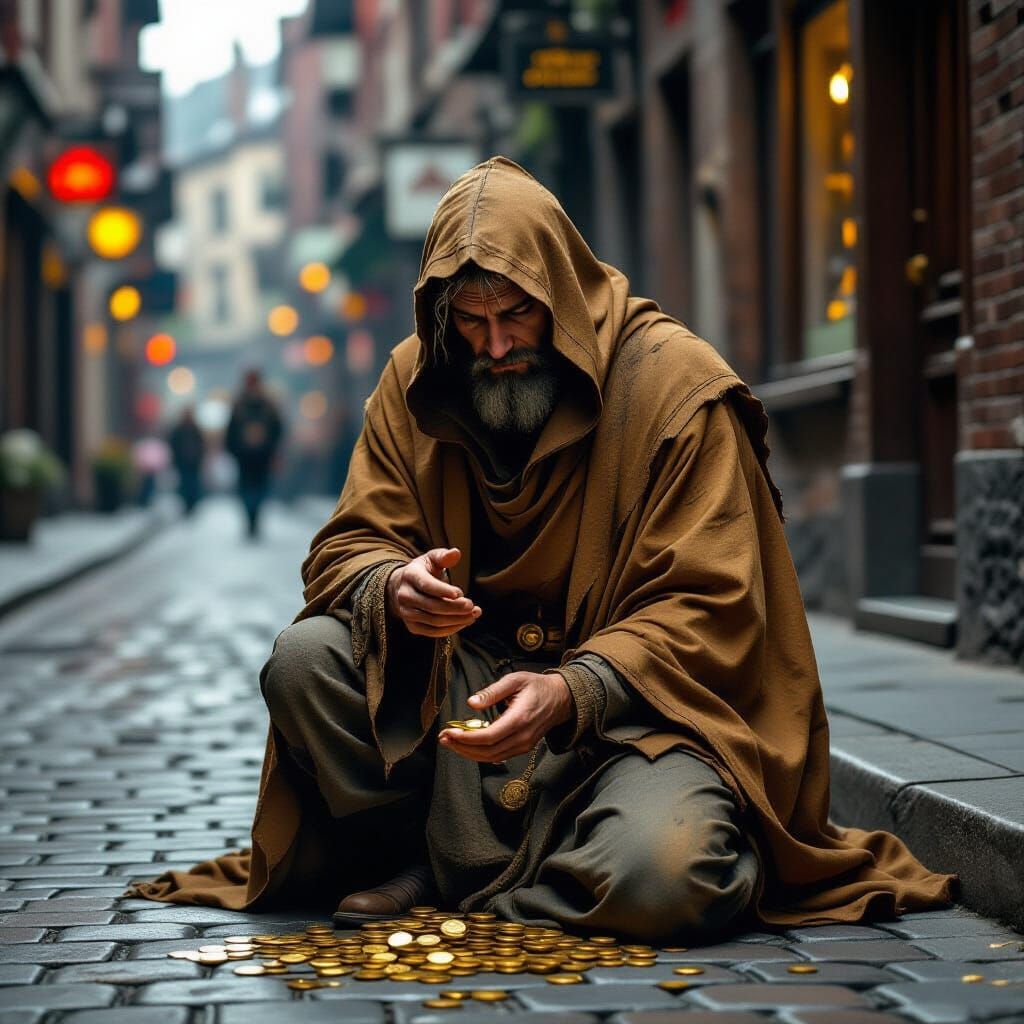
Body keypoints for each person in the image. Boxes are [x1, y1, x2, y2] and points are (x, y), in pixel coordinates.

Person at [129, 157, 954, 942]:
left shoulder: (676, 386)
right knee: (304, 660)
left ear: (559, 291)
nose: (495, 347)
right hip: (462, 706)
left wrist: (574, 690)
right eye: (472, 322)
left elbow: (712, 601)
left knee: (665, 879)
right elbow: (350, 541)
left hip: (634, 722)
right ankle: (434, 854)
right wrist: (391, 584)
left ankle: (456, 876)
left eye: (517, 314)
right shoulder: (416, 379)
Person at [224, 369, 283, 539]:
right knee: (247, 491)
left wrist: (271, 449)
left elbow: (277, 430)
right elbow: (231, 432)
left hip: (262, 457)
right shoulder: (239, 405)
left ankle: (254, 520)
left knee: (259, 490)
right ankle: (250, 520)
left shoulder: (267, 405)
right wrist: (235, 451)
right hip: (245, 457)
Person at [167, 406, 205, 516]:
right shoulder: (178, 429)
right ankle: (186, 504)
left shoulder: (195, 429)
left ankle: (192, 504)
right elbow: (173, 444)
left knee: (193, 485)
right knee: (184, 485)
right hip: (182, 463)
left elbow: (201, 445)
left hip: (194, 463)